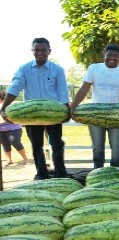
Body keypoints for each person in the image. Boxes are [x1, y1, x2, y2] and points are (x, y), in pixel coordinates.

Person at [0, 37, 70, 180]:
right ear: (32, 51)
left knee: (57, 144)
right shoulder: (24, 69)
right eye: (36, 50)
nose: (40, 53)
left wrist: (67, 108)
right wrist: (4, 107)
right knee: (36, 145)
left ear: (49, 51)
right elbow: (15, 87)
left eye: (43, 50)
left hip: (53, 114)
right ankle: (41, 174)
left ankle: (60, 173)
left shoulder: (57, 69)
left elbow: (62, 90)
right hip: (31, 115)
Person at [70, 44, 119, 170]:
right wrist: (73, 107)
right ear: (104, 55)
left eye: (115, 55)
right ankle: (97, 173)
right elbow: (84, 88)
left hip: (117, 116)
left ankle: (118, 175)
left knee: (117, 147)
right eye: (109, 54)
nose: (112, 58)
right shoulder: (94, 68)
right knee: (97, 148)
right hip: (95, 115)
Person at [0, 90, 30, 166]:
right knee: (5, 144)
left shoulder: (10, 104)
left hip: (13, 127)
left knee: (15, 142)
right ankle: (9, 160)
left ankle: (25, 158)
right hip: (1, 129)